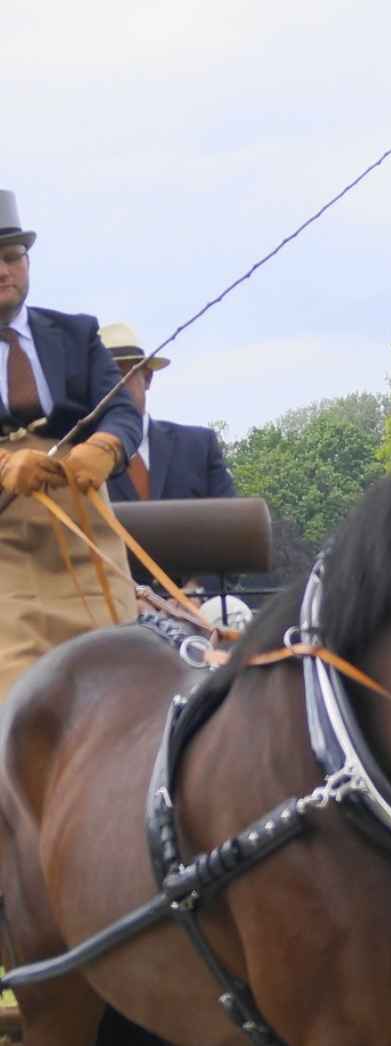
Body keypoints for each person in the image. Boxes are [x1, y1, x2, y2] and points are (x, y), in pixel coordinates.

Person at [0, 189, 141, 700]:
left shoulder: (77, 333)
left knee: (120, 690)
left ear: (27, 262)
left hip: (85, 533)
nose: (2, 270)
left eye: (12, 258)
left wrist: (105, 447)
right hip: (6, 547)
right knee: (21, 701)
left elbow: (122, 410)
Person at [99, 322, 236, 502]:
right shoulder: (73, 458)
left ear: (147, 378)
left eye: (121, 375)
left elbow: (231, 522)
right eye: (101, 380)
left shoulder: (199, 448)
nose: (112, 388)